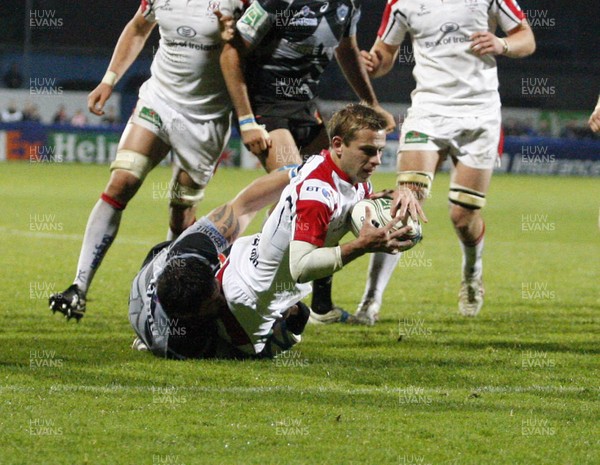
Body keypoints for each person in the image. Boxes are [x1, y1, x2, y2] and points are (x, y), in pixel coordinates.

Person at [129, 104, 423, 359]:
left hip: (218, 268)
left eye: (380, 151)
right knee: (278, 334)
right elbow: (300, 267)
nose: (377, 160)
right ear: (337, 144)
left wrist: (394, 194)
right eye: (369, 151)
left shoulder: (320, 164)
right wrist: (361, 245)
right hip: (253, 303)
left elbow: (247, 202)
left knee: (170, 250)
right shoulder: (318, 195)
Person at [49, 0, 244, 320]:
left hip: (205, 120)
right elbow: (138, 28)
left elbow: (250, 54)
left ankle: (165, 304)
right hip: (159, 101)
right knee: (121, 181)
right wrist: (109, 80)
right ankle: (78, 288)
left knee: (180, 215)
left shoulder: (238, 3)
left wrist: (232, 39)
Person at [354, 0, 536, 323]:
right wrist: (372, 63)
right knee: (403, 207)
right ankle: (370, 301)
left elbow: (527, 38)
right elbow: (384, 57)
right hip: (428, 113)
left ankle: (471, 273)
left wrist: (502, 44)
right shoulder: (401, 4)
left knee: (462, 218)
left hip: (479, 117)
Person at [220, 0, 397, 323]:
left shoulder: (349, 6)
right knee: (294, 181)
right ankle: (250, 283)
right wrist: (246, 119)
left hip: (305, 108)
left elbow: (346, 50)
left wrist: (371, 103)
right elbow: (231, 52)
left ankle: (317, 305)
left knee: (340, 189)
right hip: (267, 108)